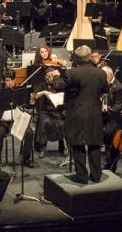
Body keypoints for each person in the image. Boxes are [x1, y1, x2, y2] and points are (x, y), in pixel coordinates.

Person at [62, 45, 108, 184]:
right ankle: (96, 175)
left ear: (76, 58)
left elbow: (59, 85)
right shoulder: (101, 73)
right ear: (89, 57)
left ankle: (82, 177)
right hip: (94, 113)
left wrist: (60, 74)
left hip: (77, 113)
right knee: (94, 143)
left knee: (78, 144)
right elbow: (105, 89)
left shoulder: (72, 73)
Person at [32, 67, 66, 158]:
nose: (51, 78)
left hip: (58, 111)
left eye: (52, 76)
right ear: (46, 77)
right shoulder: (42, 85)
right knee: (44, 122)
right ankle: (43, 147)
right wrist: (42, 93)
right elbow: (35, 96)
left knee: (62, 123)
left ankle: (62, 146)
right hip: (46, 111)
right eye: (49, 76)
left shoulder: (60, 85)